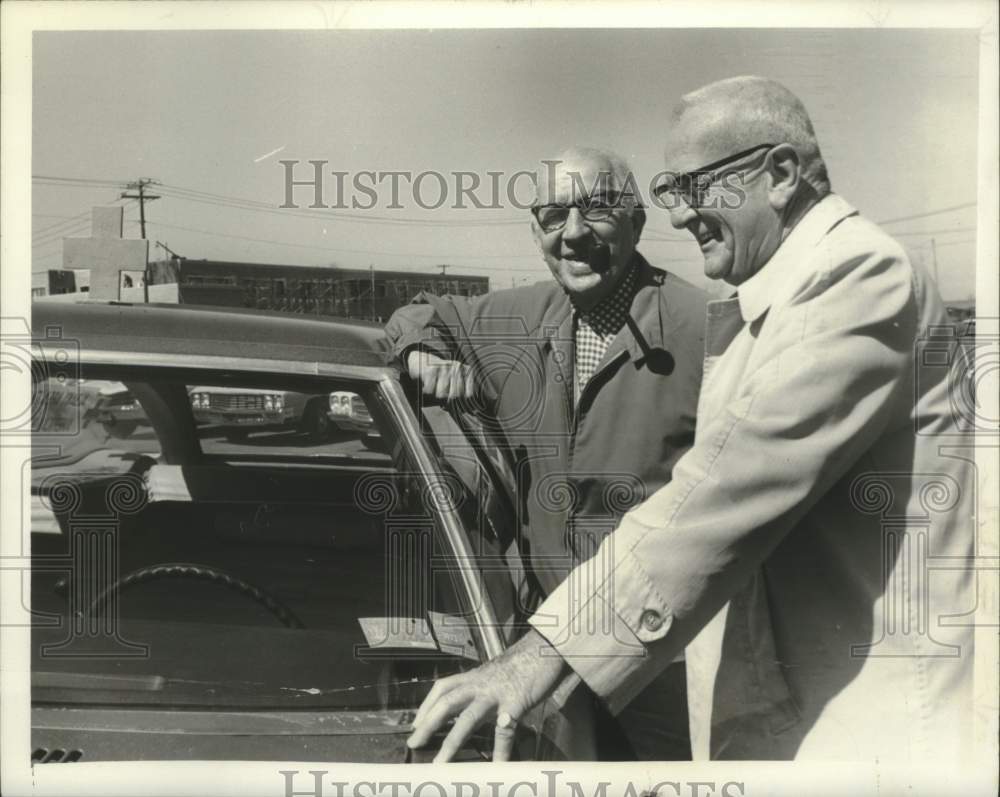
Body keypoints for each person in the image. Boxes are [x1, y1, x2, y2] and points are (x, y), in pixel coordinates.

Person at [406, 76, 975, 763]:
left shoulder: (859, 278)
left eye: (695, 187)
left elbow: (721, 493)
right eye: (673, 191)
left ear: (782, 174)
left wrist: (540, 650)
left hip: (868, 738)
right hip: (794, 711)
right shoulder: (774, 296)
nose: (681, 215)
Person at [384, 147, 709, 759]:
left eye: (598, 211)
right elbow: (419, 313)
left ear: (638, 223)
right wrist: (423, 354)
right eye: (554, 214)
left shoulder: (704, 327)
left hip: (664, 661)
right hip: (545, 658)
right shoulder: (514, 317)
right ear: (536, 231)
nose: (575, 233)